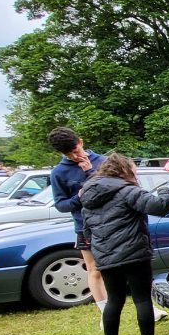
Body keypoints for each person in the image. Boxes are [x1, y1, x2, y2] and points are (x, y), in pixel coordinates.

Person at [79, 154, 169, 335]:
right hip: (134, 253)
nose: (136, 172)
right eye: (133, 168)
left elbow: (87, 231)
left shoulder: (87, 195)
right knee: (142, 298)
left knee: (114, 300)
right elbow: (160, 206)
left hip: (105, 256)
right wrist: (165, 190)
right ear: (125, 169)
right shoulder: (127, 190)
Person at [48, 127, 109, 322]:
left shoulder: (104, 162)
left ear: (81, 142)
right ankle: (105, 314)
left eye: (76, 149)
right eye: (69, 153)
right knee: (95, 269)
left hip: (113, 222)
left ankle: (150, 308)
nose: (75, 156)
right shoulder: (58, 173)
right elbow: (61, 205)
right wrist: (79, 198)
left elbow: (115, 189)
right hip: (85, 227)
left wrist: (89, 172)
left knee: (128, 267)